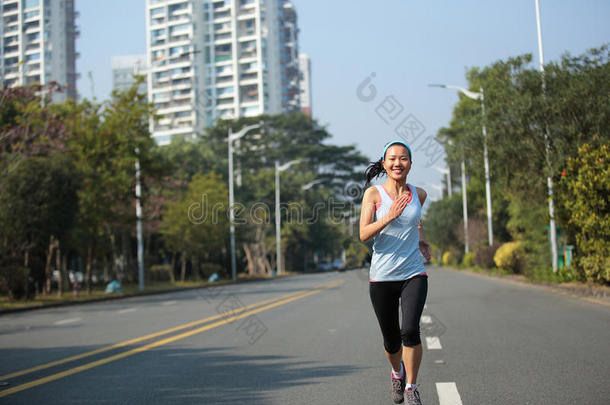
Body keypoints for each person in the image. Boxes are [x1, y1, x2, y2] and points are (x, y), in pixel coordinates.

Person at [359, 140, 432, 405]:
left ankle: (412, 386)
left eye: (403, 159)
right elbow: (364, 234)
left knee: (410, 331)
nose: (397, 163)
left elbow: (415, 220)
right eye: (392, 159)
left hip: (413, 272)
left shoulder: (419, 194)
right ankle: (397, 372)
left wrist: (420, 238)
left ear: (410, 164)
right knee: (391, 342)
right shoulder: (374, 195)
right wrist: (389, 216)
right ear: (384, 163)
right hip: (382, 277)